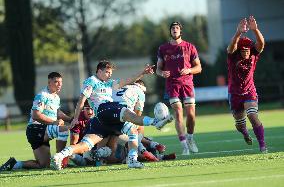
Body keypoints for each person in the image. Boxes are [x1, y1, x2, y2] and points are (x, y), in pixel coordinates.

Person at [51, 60, 173, 170]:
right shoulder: (91, 81)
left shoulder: (109, 83)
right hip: (104, 109)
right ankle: (156, 122)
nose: (110, 74)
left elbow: (128, 80)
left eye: (110, 72)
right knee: (127, 114)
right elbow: (81, 100)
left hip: (102, 120)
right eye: (107, 72)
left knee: (87, 145)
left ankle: (60, 155)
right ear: (99, 71)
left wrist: (143, 72)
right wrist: (76, 118)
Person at [0, 72, 71, 172]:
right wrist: (54, 122)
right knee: (63, 130)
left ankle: (14, 164)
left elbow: (58, 113)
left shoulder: (56, 97)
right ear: (49, 82)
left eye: (60, 82)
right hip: (35, 129)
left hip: (43, 130)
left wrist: (71, 119)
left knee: (43, 165)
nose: (59, 84)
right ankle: (60, 160)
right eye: (56, 82)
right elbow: (36, 115)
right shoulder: (42, 95)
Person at [156, 22, 202, 155]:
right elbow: (158, 69)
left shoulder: (190, 47)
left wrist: (189, 70)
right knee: (178, 113)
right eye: (172, 28)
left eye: (177, 28)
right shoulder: (163, 48)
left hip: (187, 84)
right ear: (170, 31)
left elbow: (198, 68)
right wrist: (162, 73)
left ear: (180, 31)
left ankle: (190, 138)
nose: (174, 30)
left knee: (191, 116)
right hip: (172, 85)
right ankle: (184, 146)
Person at [227, 16, 267, 153]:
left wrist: (255, 30)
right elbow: (231, 47)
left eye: (247, 50)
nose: (245, 52)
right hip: (234, 93)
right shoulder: (233, 56)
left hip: (249, 91)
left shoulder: (254, 54)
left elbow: (261, 44)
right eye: (242, 50)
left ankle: (262, 146)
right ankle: (245, 133)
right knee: (239, 124)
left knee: (252, 115)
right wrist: (238, 33)